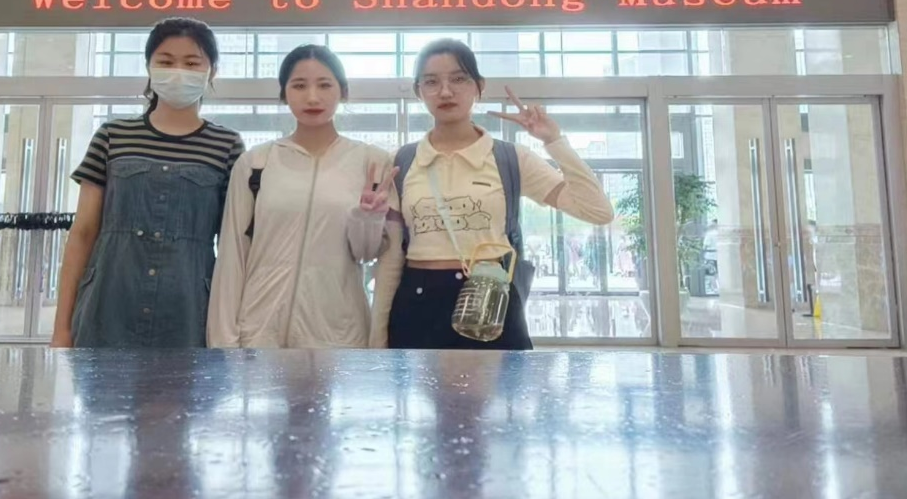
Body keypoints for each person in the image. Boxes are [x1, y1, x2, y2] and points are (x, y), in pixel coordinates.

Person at [371, 39, 614, 351]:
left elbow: (597, 211)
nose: (445, 91)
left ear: (479, 87)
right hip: (417, 302)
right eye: (431, 82)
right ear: (419, 92)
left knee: (502, 385)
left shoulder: (510, 158)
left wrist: (553, 141)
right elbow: (391, 258)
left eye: (459, 79)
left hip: (491, 301)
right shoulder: (401, 161)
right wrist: (377, 339)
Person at [50, 18, 244, 349]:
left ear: (212, 71)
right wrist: (61, 329)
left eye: (192, 63)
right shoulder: (113, 136)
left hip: (188, 311)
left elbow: (234, 244)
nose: (178, 71)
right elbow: (82, 233)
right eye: (166, 61)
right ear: (149, 68)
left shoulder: (227, 145)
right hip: (107, 306)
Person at [208, 44, 395, 349]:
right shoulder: (256, 163)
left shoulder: (371, 162)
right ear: (284, 94)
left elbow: (366, 253)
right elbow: (232, 255)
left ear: (343, 92)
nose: (312, 97)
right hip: (259, 334)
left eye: (324, 85)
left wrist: (368, 218)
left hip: (338, 337)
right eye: (299, 86)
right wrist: (223, 344)